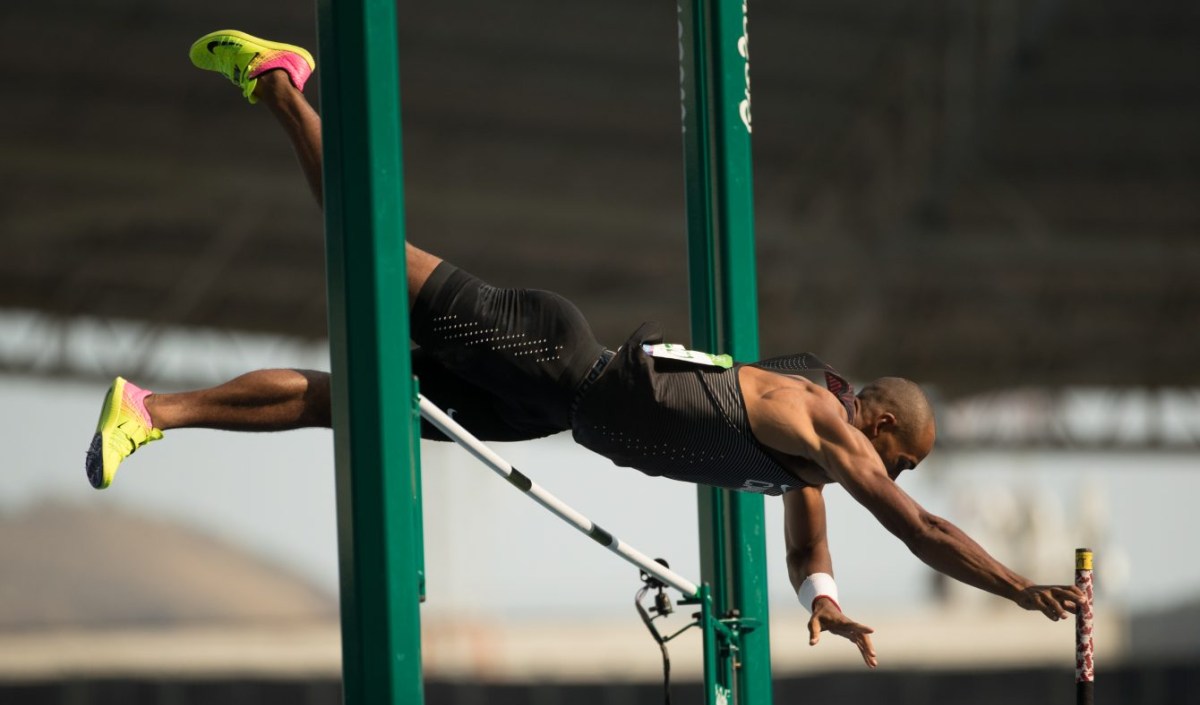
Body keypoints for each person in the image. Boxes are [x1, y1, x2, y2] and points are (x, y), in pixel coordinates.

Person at [85, 30, 1083, 668]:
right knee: (370, 253)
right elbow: (924, 530)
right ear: (874, 418)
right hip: (557, 358)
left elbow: (810, 537)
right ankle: (285, 85)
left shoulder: (808, 458)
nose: (887, 477)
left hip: (545, 410)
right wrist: (1022, 588)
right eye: (895, 458)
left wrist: (823, 598)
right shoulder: (824, 422)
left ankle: (150, 411)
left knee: (352, 405)